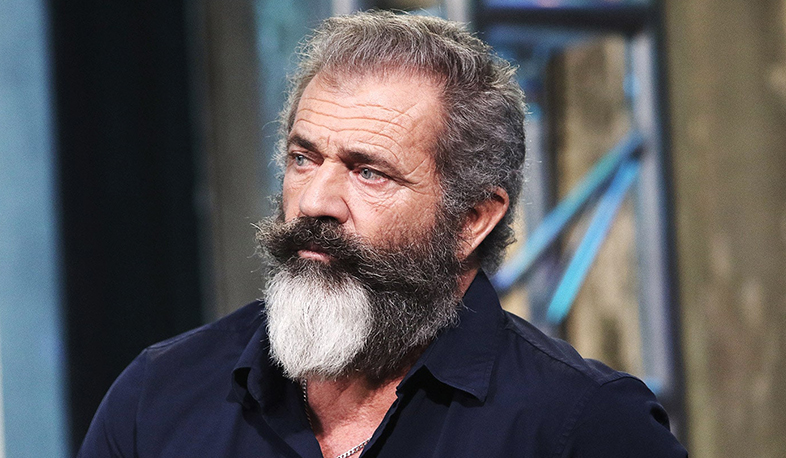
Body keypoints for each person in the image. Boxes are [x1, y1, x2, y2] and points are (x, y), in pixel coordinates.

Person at [79, 11, 687, 458]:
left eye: (369, 172)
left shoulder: (583, 427)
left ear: (472, 220)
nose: (315, 202)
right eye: (302, 159)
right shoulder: (159, 398)